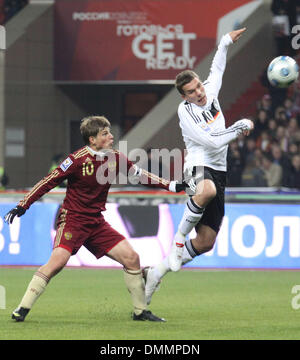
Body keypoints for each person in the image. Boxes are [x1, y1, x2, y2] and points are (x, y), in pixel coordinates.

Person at [4, 115, 190, 323]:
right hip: (73, 220)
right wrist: (23, 204)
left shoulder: (115, 158)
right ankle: (22, 308)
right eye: (105, 133)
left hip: (96, 222)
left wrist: (172, 185)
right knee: (57, 263)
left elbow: (140, 174)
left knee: (132, 258)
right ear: (92, 139)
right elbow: (48, 181)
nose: (111, 136)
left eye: (109, 132)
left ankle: (140, 312)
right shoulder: (76, 160)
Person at [144, 28, 254, 304]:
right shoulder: (186, 112)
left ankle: (155, 272)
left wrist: (225, 42)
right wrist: (238, 127)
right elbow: (212, 142)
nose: (199, 93)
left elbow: (218, 68)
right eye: (191, 92)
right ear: (184, 97)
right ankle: (178, 238)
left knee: (206, 242)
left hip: (220, 171)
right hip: (197, 165)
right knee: (206, 191)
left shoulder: (210, 92)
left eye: (199, 87)